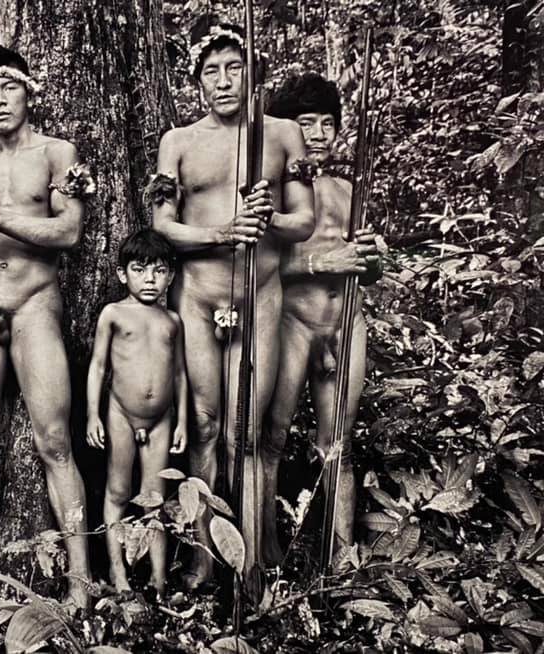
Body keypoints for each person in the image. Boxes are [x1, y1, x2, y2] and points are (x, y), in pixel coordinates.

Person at [151, 22, 315, 588]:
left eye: (234, 68)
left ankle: (253, 561)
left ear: (252, 74)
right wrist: (221, 232)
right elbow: (162, 226)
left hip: (260, 296)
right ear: (197, 81)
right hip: (198, 296)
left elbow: (304, 220)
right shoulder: (178, 142)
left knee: (245, 431)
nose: (223, 81)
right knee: (203, 425)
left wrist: (270, 217)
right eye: (211, 72)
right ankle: (201, 556)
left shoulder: (284, 135)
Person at [0, 45, 92, 607]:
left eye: (8, 88)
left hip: (34, 304)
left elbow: (69, 232)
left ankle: (80, 580)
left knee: (54, 440)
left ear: (29, 94)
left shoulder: (57, 153)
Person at [262, 72, 382, 564]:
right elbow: (265, 268)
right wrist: (323, 261)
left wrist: (369, 257)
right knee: (270, 439)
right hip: (293, 323)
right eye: (306, 123)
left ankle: (341, 557)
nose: (317, 134)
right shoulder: (277, 194)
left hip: (346, 324)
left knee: (339, 445)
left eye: (327, 123)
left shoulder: (349, 191)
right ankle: (266, 549)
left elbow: (368, 272)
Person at [86, 229, 188, 599]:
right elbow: (98, 367)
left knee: (154, 497)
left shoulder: (172, 321)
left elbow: (179, 374)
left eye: (159, 271)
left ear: (170, 276)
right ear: (121, 273)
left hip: (161, 420)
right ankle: (119, 575)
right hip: (120, 414)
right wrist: (93, 416)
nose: (149, 279)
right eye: (139, 269)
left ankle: (159, 580)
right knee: (118, 491)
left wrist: (182, 421)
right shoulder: (114, 314)